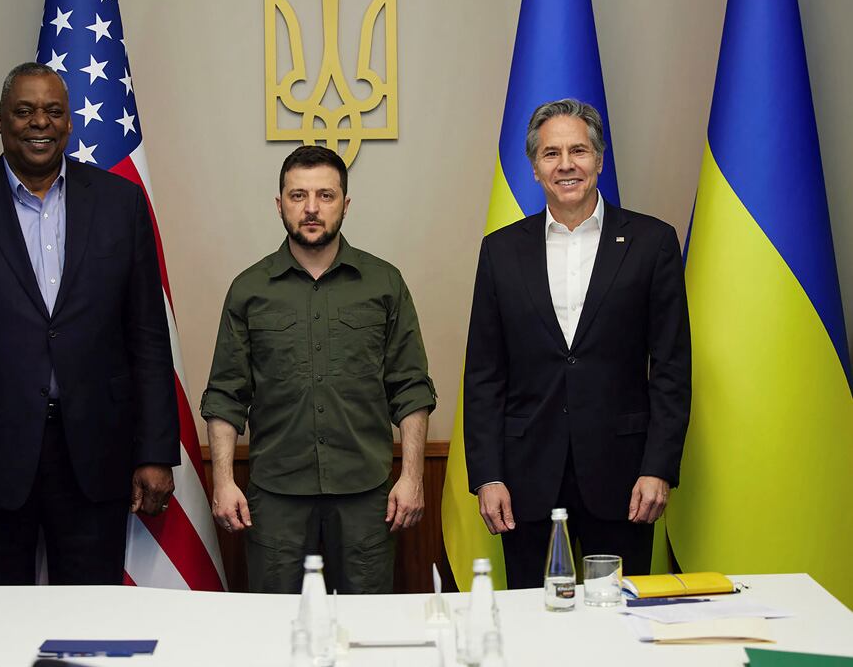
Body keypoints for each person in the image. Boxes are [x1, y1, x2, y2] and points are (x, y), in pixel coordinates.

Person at [0, 62, 179, 585]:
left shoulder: (121, 204)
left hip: (95, 455)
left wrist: (156, 452)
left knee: (88, 628)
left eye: (53, 112)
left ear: (70, 123)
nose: (39, 123)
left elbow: (146, 336)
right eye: (24, 111)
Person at [463, 99, 691, 589]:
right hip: (523, 481)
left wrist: (658, 468)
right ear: (534, 167)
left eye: (578, 151)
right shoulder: (501, 250)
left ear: (600, 160)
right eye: (551, 154)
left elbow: (671, 367)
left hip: (625, 478)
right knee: (530, 623)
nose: (566, 165)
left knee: (619, 623)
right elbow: (484, 373)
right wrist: (487, 476)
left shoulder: (652, 243)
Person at [201, 145, 436, 594]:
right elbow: (226, 396)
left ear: (345, 204)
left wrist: (411, 478)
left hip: (367, 496)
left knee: (367, 632)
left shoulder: (384, 283)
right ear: (279, 204)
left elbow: (411, 389)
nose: (311, 209)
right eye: (298, 196)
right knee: (275, 633)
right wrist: (224, 481)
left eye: (325, 196)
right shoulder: (249, 289)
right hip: (275, 498)